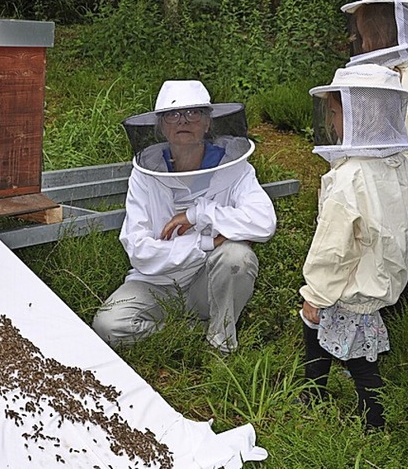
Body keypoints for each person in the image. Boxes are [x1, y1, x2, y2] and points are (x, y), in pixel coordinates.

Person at [92, 80, 277, 354]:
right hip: (155, 282)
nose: (184, 121)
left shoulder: (235, 168)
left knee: (237, 256)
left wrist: (197, 214)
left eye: (194, 114)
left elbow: (263, 222)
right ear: (161, 126)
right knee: (108, 326)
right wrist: (205, 243)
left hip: (208, 281)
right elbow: (139, 249)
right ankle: (195, 332)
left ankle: (221, 345)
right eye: (173, 115)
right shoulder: (144, 175)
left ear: (207, 123)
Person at [299, 64, 408, 430]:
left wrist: (316, 293)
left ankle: (375, 421)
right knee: (328, 336)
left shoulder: (349, 176)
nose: (332, 121)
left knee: (358, 359)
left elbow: (333, 247)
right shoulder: (400, 166)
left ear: (357, 114)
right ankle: (314, 390)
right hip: (378, 280)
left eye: (335, 112)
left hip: (348, 287)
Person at [341, 0, 408, 316]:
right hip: (371, 181)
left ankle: (386, 332)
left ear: (384, 30)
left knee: (393, 254)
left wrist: (400, 196)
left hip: (398, 187)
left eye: (366, 33)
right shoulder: (381, 71)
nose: (361, 41)